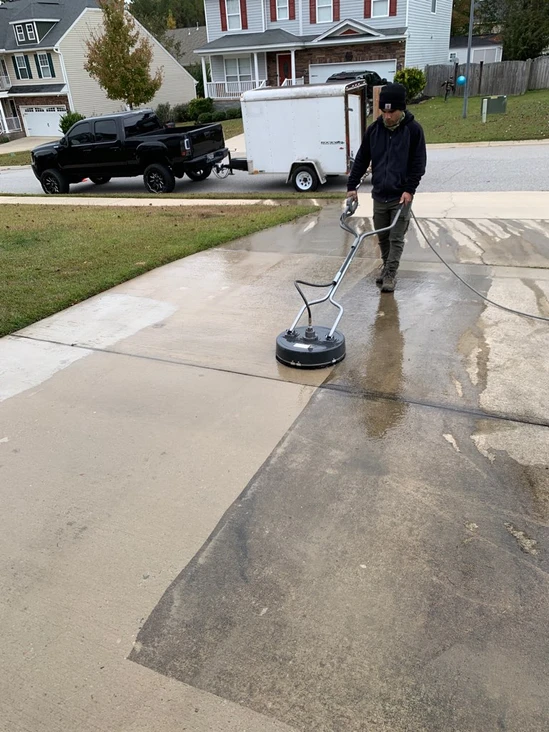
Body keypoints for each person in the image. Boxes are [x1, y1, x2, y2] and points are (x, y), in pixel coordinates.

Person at [346, 82, 427, 293]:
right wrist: (352, 185)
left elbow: (418, 164)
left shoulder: (413, 131)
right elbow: (362, 159)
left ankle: (391, 273)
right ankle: (386, 266)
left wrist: (410, 189)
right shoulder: (374, 130)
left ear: (402, 109)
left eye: (392, 111)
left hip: (401, 195)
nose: (388, 116)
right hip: (379, 194)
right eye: (384, 111)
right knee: (382, 236)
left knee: (396, 237)